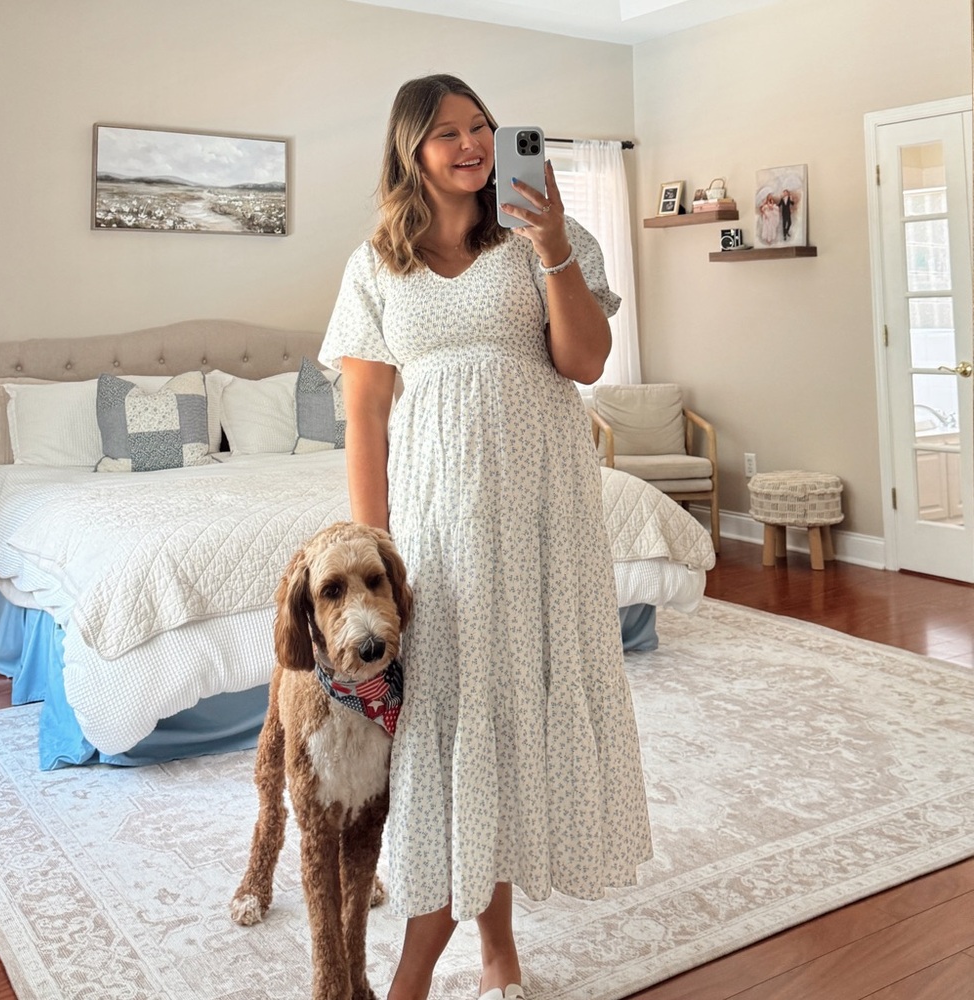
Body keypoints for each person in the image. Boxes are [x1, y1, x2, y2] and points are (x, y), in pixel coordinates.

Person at [319, 73, 652, 1000]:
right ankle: (431, 960)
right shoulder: (374, 264)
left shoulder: (549, 233)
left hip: (544, 512)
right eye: (447, 132)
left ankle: (489, 946)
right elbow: (366, 420)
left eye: (483, 127)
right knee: (452, 720)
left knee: (512, 711)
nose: (470, 144)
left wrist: (551, 246)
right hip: (437, 519)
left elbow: (583, 363)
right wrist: (372, 555)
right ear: (410, 149)